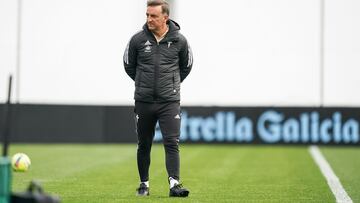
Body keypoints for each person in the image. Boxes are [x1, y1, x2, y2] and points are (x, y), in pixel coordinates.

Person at [123, 0, 193, 198]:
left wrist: (171, 84)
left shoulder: (180, 41)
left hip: (169, 102)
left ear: (165, 17)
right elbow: (129, 65)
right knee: (144, 144)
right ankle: (144, 185)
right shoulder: (137, 40)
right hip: (144, 101)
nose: (149, 19)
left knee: (172, 142)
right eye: (147, 15)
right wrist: (142, 82)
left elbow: (186, 66)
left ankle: (174, 185)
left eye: (153, 16)